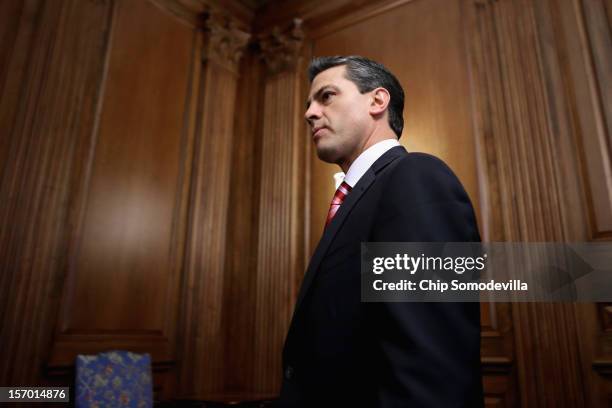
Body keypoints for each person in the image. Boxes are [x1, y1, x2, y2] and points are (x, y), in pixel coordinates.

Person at [276, 56, 483, 407]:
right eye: (309, 103)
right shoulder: (357, 196)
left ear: (377, 101)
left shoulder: (416, 177)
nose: (310, 112)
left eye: (325, 96)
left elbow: (430, 365)